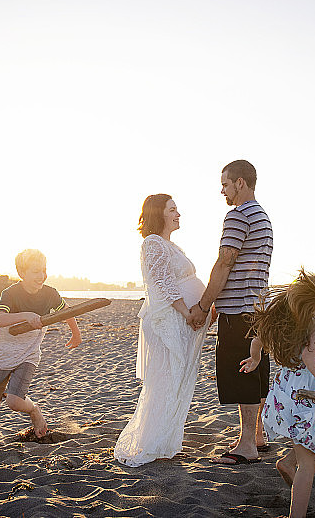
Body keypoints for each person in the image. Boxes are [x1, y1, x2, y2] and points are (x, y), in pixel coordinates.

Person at [113, 194, 212, 467]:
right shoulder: (153, 243)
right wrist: (189, 311)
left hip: (182, 320)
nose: (178, 214)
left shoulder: (170, 245)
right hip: (169, 321)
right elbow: (163, 284)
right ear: (159, 214)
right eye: (173, 209)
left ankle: (166, 442)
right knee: (165, 381)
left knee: (177, 380)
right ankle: (151, 443)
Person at [240, 269, 315, 518]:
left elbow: (258, 340)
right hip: (304, 400)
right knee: (308, 465)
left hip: (283, 395)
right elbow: (311, 358)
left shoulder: (290, 324)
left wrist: (255, 359)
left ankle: (288, 463)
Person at [187, 160, 273, 465]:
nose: (221, 190)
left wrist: (204, 304)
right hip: (259, 308)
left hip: (239, 310)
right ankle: (258, 437)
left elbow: (225, 263)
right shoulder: (263, 216)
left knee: (243, 373)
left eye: (225, 184)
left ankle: (247, 445)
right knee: (258, 369)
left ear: (240, 183)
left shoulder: (238, 215)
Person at [0, 249, 82, 458]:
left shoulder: (50, 294)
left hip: (28, 355)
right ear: (22, 273)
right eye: (36, 271)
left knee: (13, 401)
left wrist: (76, 333)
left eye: (44, 270)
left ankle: (34, 410)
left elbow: (67, 312)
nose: (42, 276)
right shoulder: (11, 294)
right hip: (2, 357)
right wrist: (26, 316)